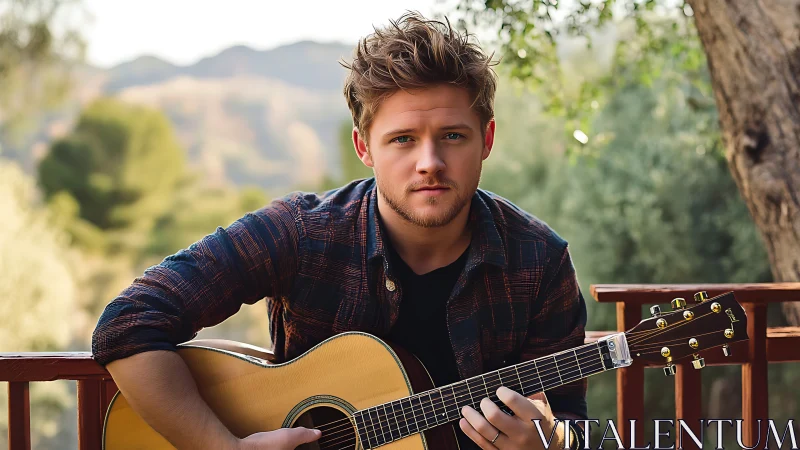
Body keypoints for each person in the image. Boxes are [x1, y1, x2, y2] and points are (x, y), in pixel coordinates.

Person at [92, 11, 588, 450]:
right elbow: (128, 323)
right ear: (364, 148)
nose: (429, 163)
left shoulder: (537, 260)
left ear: (488, 139)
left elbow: (572, 424)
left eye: (452, 136)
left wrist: (551, 443)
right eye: (403, 140)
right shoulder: (303, 233)